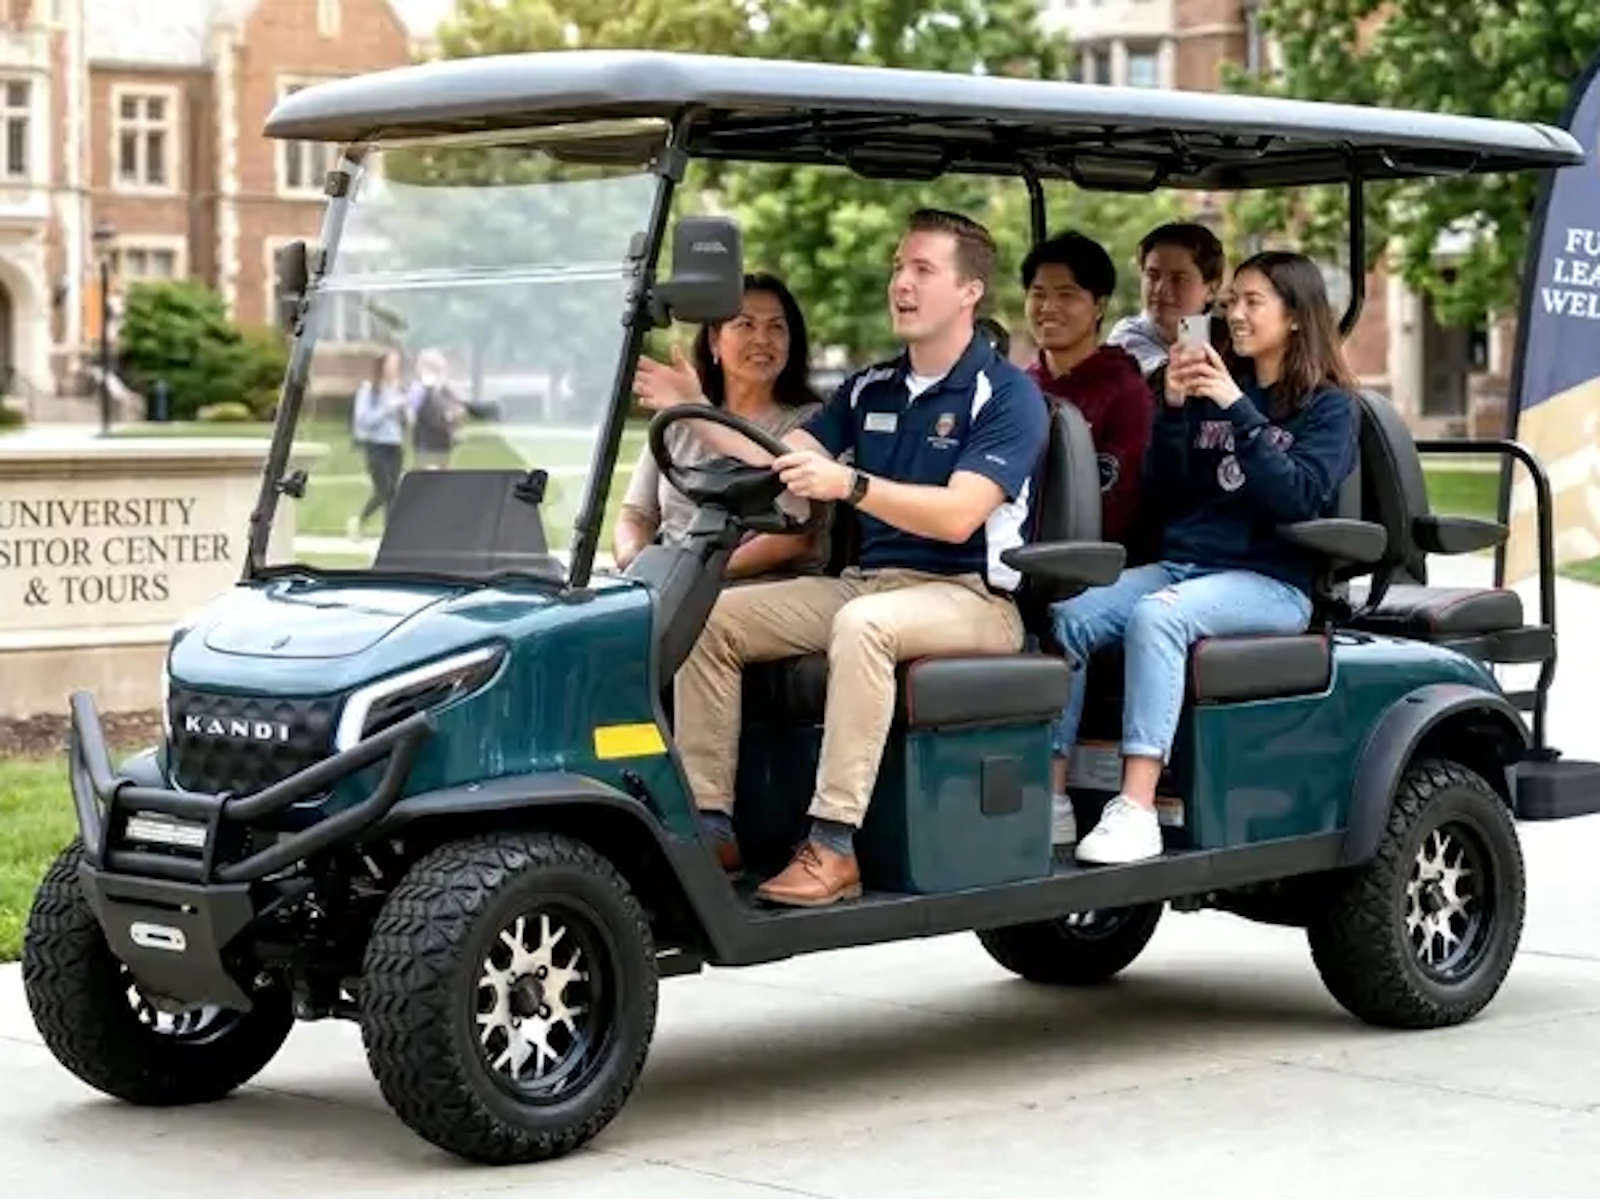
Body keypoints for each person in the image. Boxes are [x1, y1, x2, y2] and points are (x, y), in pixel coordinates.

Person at [632, 208, 1049, 907]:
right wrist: (700, 408)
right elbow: (780, 460)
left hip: (971, 597)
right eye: (898, 268)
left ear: (969, 292)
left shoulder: (1006, 394)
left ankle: (832, 844)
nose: (901, 284)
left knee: (864, 626)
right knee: (714, 617)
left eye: (922, 270)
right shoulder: (869, 387)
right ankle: (710, 826)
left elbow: (958, 517)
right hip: (870, 583)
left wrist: (851, 484)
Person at [1045, 249, 1360, 866]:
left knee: (1158, 617)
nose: (1235, 314)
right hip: (1185, 568)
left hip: (1271, 581)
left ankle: (1136, 808)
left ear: (1296, 315)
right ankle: (1053, 798)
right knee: (1069, 614)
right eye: (1231, 301)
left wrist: (1238, 410)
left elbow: (1297, 496)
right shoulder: (1215, 386)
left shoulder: (1329, 406)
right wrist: (1171, 410)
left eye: (1252, 302)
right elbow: (1164, 492)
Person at [614, 273, 828, 582]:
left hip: (754, 587)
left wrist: (691, 578)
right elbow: (636, 514)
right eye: (746, 325)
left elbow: (794, 537)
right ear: (714, 340)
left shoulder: (812, 423)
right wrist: (635, 563)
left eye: (776, 327)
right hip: (664, 580)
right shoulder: (679, 417)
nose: (762, 339)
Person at [1021, 230, 1154, 548]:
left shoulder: (1126, 393)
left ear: (1099, 306)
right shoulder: (1018, 388)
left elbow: (1118, 502)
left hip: (1088, 557)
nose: (1048, 307)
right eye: (1038, 294)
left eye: (1066, 295)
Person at [1106, 222, 1227, 379]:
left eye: (1178, 279)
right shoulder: (1127, 339)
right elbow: (1182, 381)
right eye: (1153, 276)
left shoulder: (1229, 331)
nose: (1160, 289)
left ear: (1212, 289)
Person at [347, 347, 410, 539]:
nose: (394, 369)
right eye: (391, 364)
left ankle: (391, 533)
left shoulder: (398, 390)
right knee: (384, 489)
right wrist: (387, 408)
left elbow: (404, 421)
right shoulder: (369, 390)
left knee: (393, 492)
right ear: (381, 366)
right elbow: (363, 420)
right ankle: (359, 520)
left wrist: (406, 411)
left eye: (397, 365)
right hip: (376, 445)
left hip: (395, 445)